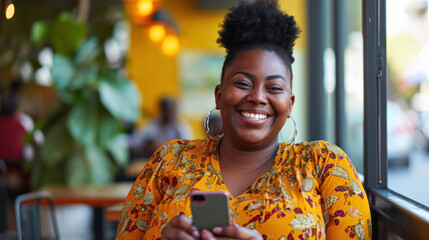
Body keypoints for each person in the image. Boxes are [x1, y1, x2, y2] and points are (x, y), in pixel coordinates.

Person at [115, 1, 371, 239]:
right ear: (219, 95)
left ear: (290, 104)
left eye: (274, 88)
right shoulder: (169, 160)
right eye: (242, 83)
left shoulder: (324, 165)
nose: (258, 97)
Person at [128, 96, 193, 159]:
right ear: (161, 110)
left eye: (171, 110)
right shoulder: (153, 125)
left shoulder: (181, 126)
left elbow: (188, 148)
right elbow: (136, 141)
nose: (169, 113)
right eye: (166, 110)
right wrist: (148, 147)